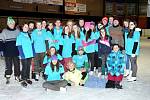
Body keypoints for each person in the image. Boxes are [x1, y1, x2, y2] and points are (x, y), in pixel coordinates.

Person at [1, 17, 21, 84]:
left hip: (16, 52)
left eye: (13, 23)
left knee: (17, 65)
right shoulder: (4, 31)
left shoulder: (17, 31)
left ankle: (17, 75)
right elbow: (1, 42)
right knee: (8, 65)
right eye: (10, 23)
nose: (12, 25)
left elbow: (21, 40)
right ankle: (8, 76)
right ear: (8, 24)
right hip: (7, 52)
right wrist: (1, 50)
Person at [16, 23, 34, 87]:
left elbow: (31, 45)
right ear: (22, 27)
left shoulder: (29, 35)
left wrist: (33, 53)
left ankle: (27, 78)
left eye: (27, 27)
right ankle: (23, 79)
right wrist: (22, 55)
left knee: (28, 67)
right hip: (24, 54)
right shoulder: (20, 35)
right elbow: (19, 46)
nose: (26, 28)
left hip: (29, 54)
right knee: (24, 67)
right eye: (25, 27)